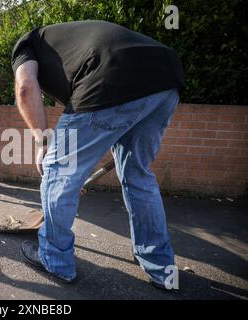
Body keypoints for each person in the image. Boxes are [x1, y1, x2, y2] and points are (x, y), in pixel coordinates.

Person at [12, 20, 184, 289]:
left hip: (110, 75)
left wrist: (43, 144)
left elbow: (25, 87)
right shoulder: (71, 45)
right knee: (138, 175)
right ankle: (161, 269)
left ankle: (55, 260)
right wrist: (76, 174)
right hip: (166, 77)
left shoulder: (26, 43)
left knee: (58, 170)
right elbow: (98, 117)